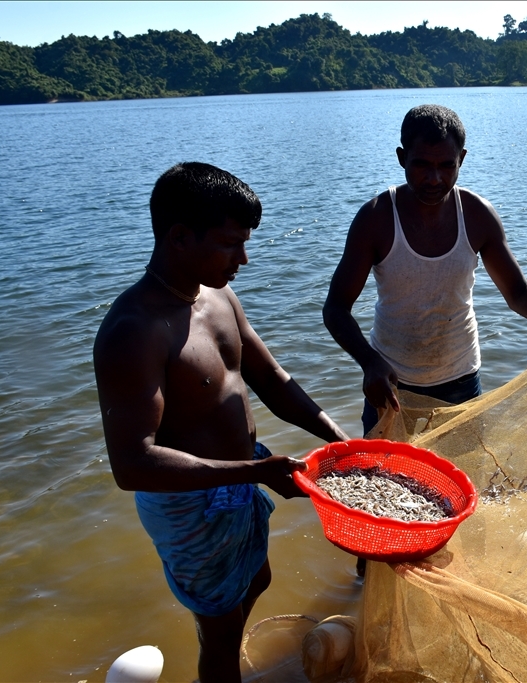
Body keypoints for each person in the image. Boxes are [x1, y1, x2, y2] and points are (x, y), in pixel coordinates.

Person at [93, 162, 349, 683]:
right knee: (222, 635)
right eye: (231, 244)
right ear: (179, 237)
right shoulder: (134, 331)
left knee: (259, 577)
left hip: (241, 475)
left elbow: (272, 380)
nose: (244, 259)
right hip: (189, 503)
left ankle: (217, 638)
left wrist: (337, 437)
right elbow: (133, 464)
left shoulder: (218, 296)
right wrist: (256, 473)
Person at [323, 104, 527, 437]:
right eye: (422, 164)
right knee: (388, 481)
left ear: (461, 158)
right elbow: (336, 308)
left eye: (446, 165)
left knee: (459, 481)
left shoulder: (477, 216)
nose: (435, 178)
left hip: (461, 381)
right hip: (390, 383)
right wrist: (369, 361)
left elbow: (519, 295)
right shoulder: (375, 219)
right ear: (402, 157)